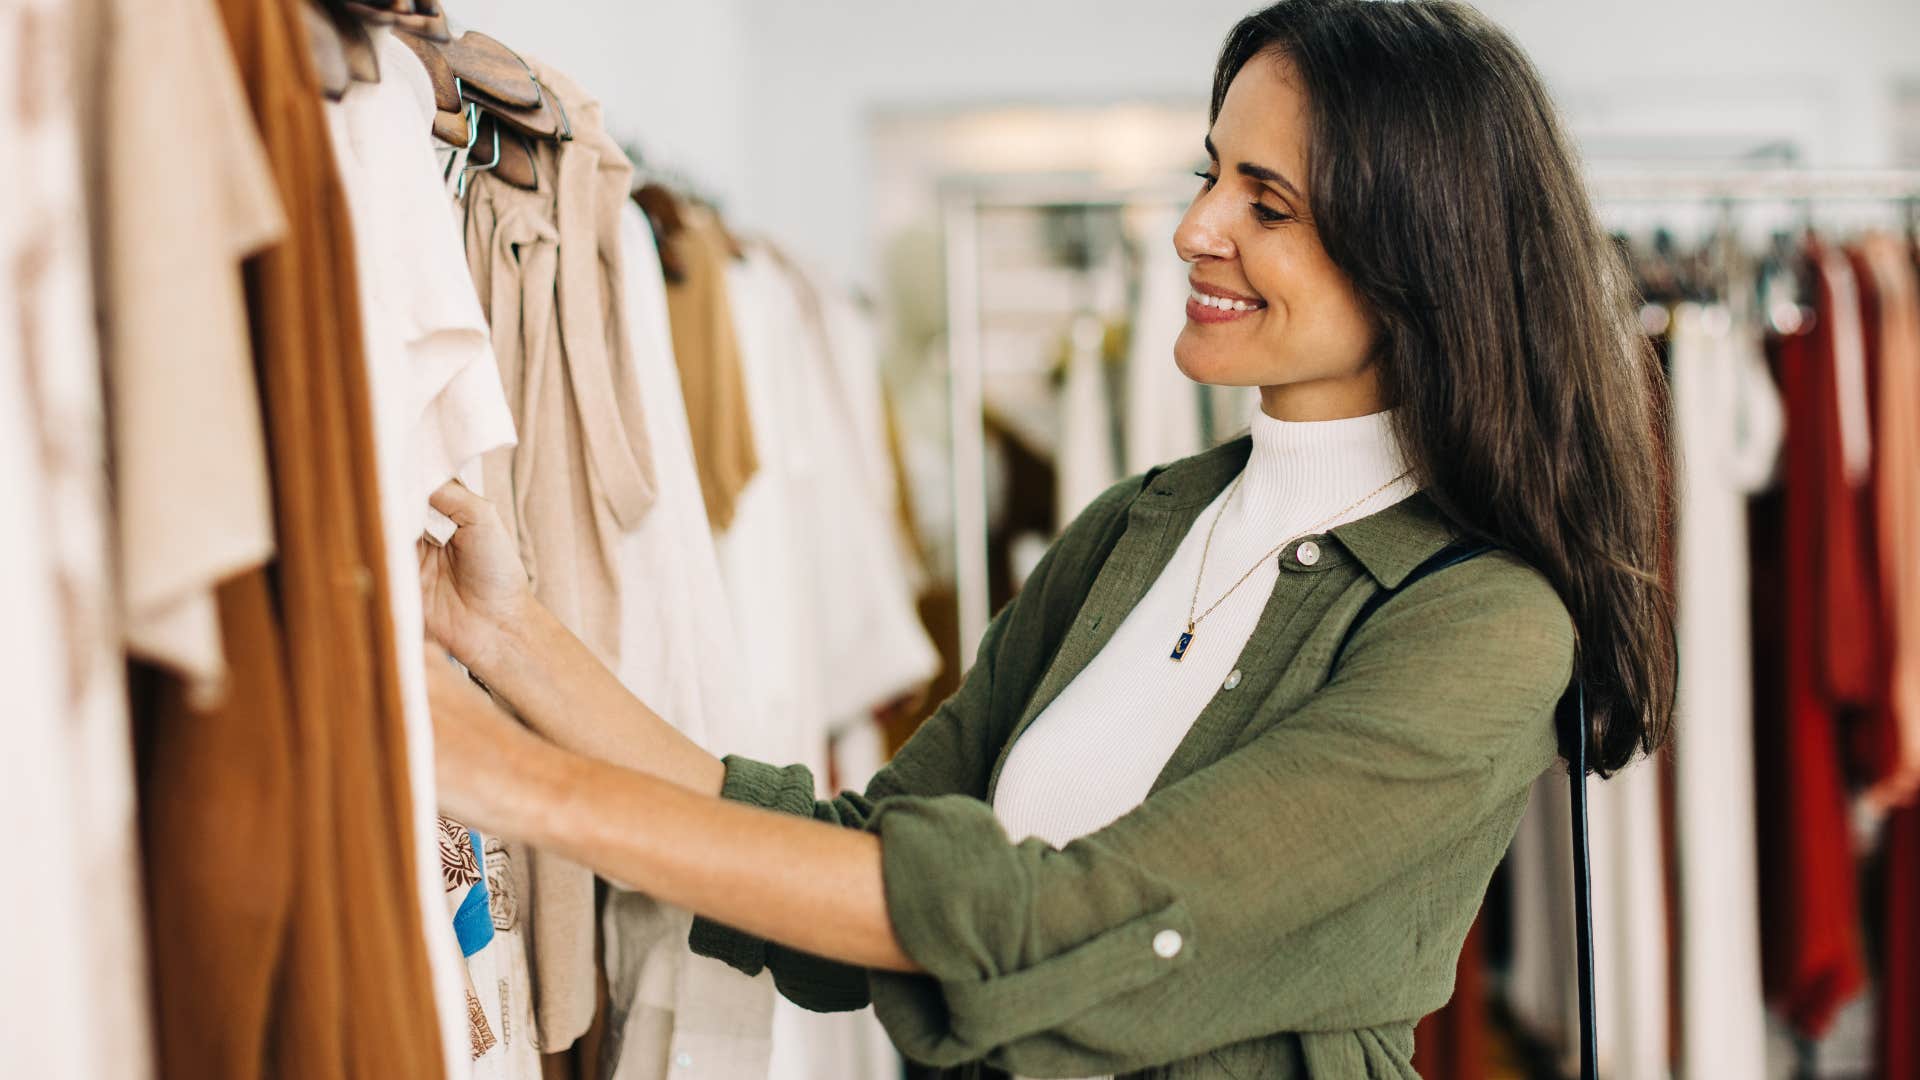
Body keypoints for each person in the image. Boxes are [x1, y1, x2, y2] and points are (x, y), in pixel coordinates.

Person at [420, 1, 1676, 1076]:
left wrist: (525, 787)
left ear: (1423, 255)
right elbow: (864, 858)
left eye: (1269, 202)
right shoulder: (1148, 523)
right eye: (1211, 171)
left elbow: (1063, 923)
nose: (1195, 228)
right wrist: (515, 639)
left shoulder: (1485, 625)